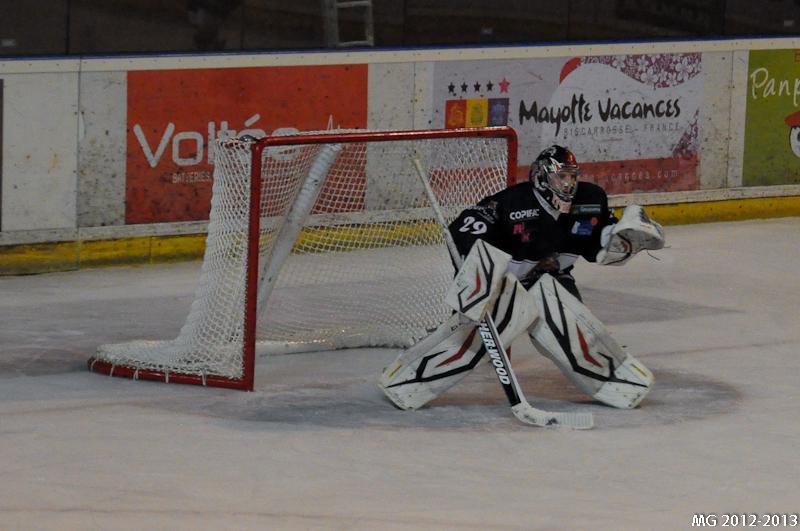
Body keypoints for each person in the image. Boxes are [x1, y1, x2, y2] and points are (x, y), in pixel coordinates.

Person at [380, 144, 665, 412]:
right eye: (561, 176)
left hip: (553, 281)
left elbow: (601, 243)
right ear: (542, 176)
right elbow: (465, 228)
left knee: (572, 326)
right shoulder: (513, 202)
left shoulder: (590, 200)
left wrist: (623, 241)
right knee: (470, 340)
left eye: (571, 176)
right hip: (505, 287)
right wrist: (476, 270)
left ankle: (616, 381)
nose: (568, 184)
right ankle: (407, 381)